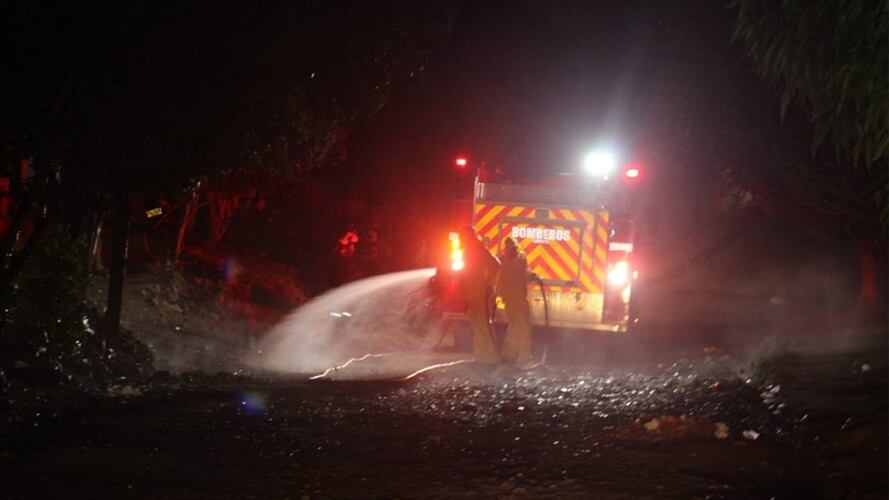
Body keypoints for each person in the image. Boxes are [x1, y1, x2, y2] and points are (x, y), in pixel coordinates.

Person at [457, 226, 501, 364]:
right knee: (477, 326)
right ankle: (481, 356)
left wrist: (489, 284)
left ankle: (491, 358)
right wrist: (464, 294)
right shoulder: (468, 250)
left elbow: (496, 265)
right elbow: (464, 274)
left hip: (480, 294)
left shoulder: (478, 249)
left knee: (483, 326)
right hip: (472, 294)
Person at [497, 237, 534, 367]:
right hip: (518, 299)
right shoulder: (520, 259)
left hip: (509, 299)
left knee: (513, 326)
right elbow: (523, 275)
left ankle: (509, 354)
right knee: (521, 327)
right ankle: (522, 356)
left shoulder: (502, 261)